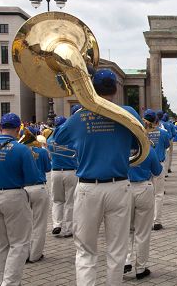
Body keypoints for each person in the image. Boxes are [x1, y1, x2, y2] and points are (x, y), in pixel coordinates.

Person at [54, 69, 142, 285]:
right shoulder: (128, 112)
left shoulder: (79, 115)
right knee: (117, 249)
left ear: (92, 87)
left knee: (85, 250)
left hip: (88, 188)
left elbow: (58, 137)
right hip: (119, 186)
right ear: (115, 89)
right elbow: (137, 142)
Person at [0, 113, 39, 286]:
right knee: (19, 244)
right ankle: (10, 283)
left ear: (0, 127)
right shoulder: (22, 149)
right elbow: (32, 178)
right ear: (17, 129)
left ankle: (0, 282)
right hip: (13, 196)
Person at [124, 144, 162, 280]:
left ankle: (125, 261)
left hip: (124, 188)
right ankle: (140, 268)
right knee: (143, 232)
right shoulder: (148, 149)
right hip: (144, 188)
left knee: (124, 229)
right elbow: (157, 171)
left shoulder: (119, 147)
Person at [23, 126, 51, 263]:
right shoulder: (42, 151)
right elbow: (48, 168)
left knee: (24, 224)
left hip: (23, 189)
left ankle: (23, 254)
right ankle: (35, 255)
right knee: (39, 223)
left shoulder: (19, 151)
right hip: (39, 188)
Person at [48, 115, 78, 238]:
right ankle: (69, 229)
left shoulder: (50, 139)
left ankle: (57, 224)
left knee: (57, 200)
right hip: (71, 171)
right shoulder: (71, 138)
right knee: (70, 201)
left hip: (55, 172)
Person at [143, 109, 170, 231]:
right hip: (159, 164)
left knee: (146, 194)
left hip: (144, 165)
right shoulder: (163, 133)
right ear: (156, 120)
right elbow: (167, 146)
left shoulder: (141, 133)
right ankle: (157, 221)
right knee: (158, 194)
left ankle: (145, 221)